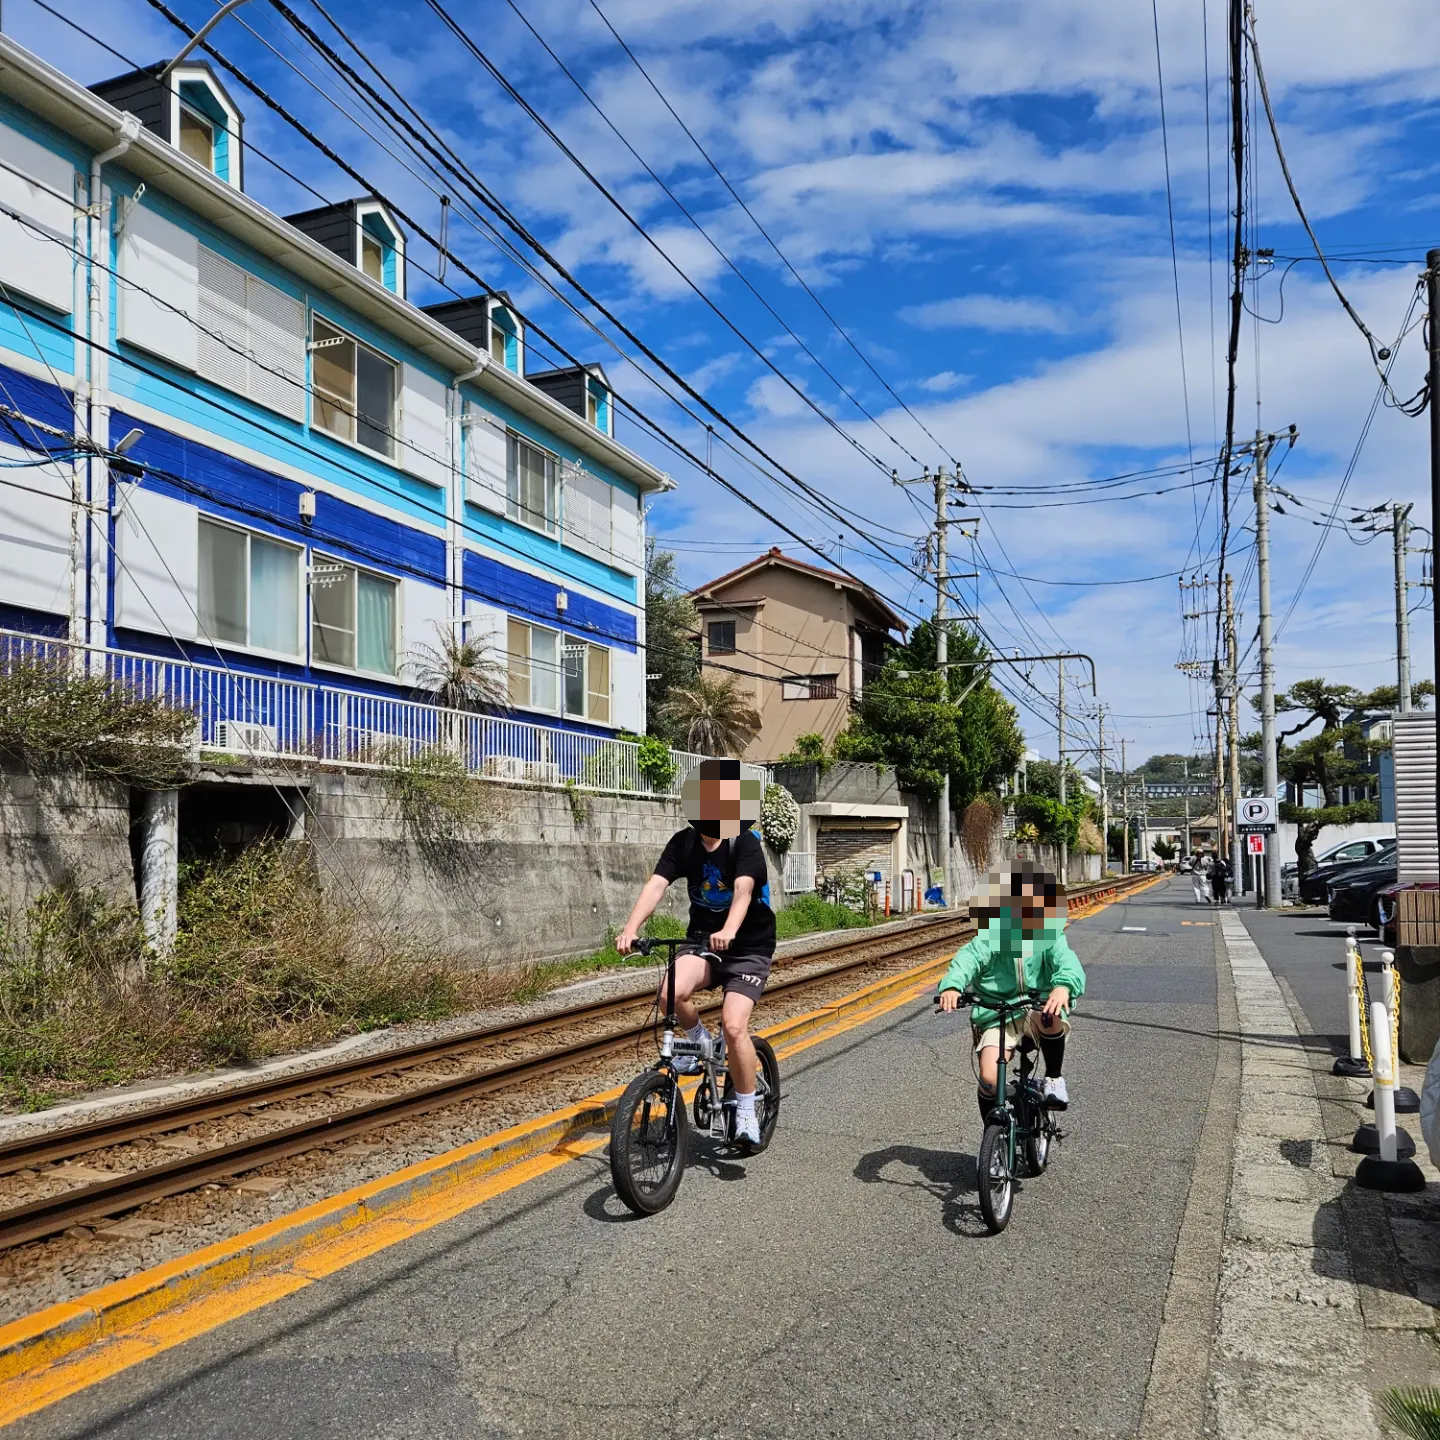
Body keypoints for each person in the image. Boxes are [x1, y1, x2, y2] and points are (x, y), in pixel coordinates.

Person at [618, 758, 775, 1146]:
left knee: (735, 1025)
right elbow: (656, 885)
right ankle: (699, 1040)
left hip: (748, 946)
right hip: (704, 941)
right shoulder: (683, 843)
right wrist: (630, 928)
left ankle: (745, 1109)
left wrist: (729, 929)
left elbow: (742, 892)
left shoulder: (745, 843)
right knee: (670, 992)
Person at [936, 861, 1086, 1119]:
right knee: (989, 1080)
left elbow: (1068, 963)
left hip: (1035, 1009)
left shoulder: (1049, 936)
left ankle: (1053, 1079)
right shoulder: (987, 939)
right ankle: (992, 1137)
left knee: (1050, 1016)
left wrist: (1062, 987)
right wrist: (951, 986)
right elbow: (966, 961)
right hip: (997, 1015)